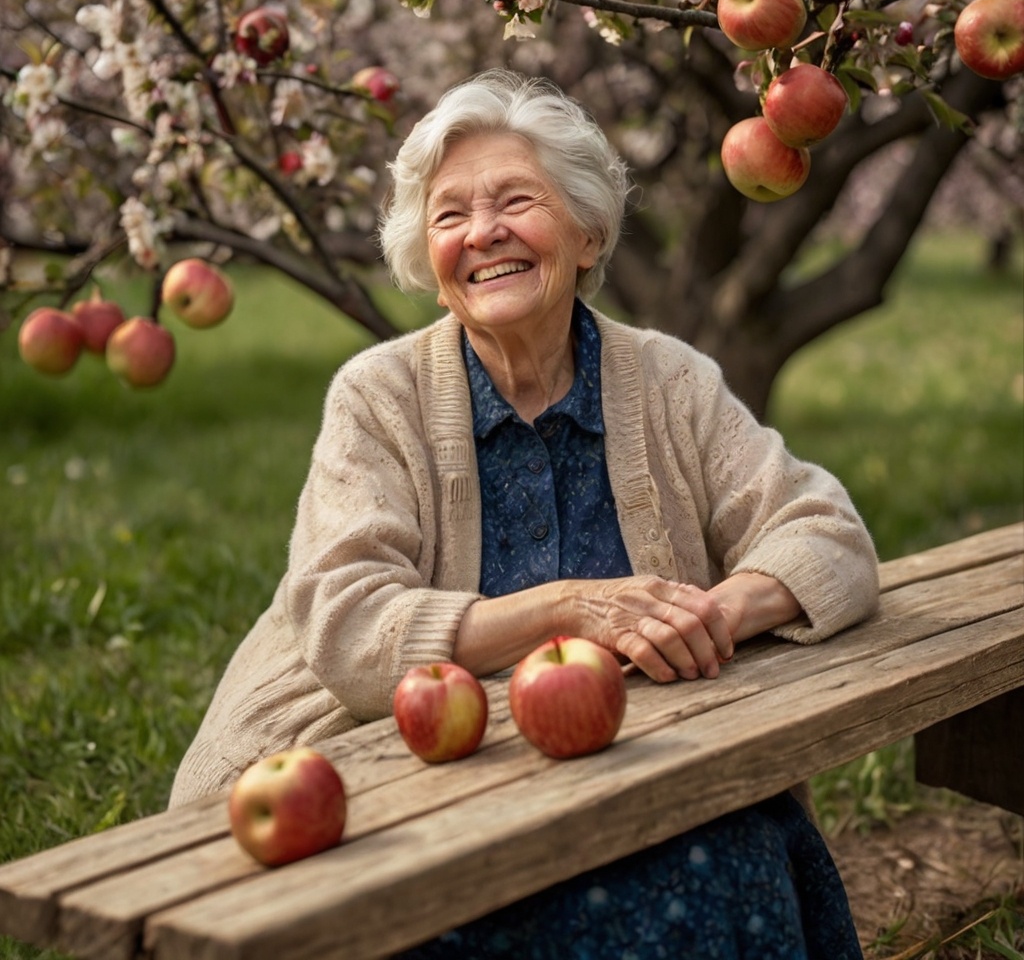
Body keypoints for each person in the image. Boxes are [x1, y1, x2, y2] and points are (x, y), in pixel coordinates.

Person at [170, 69, 879, 958]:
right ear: (429, 267)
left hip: (641, 763)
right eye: (450, 216)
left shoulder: (668, 379)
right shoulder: (379, 397)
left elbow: (828, 535)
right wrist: (573, 608)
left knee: (732, 858)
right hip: (404, 771)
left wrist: (705, 618)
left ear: (587, 233)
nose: (484, 233)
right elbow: (348, 627)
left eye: (516, 200)